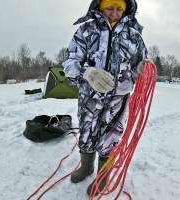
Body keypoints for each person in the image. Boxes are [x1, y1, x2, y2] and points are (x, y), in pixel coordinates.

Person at [62, 0, 152, 196]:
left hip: (118, 100)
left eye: (119, 8)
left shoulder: (134, 35)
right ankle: (86, 167)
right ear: (100, 7)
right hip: (90, 96)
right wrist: (87, 73)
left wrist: (142, 70)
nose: (114, 13)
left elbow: (142, 65)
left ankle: (102, 177)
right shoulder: (86, 30)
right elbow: (69, 62)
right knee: (87, 133)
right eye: (109, 8)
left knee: (110, 138)